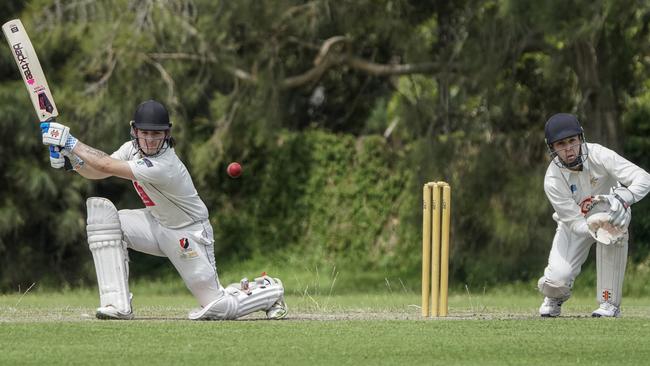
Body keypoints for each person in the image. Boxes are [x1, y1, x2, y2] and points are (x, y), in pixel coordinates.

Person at [41, 100, 287, 321]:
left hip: (188, 234)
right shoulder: (131, 149)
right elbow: (99, 171)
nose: (149, 140)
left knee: (217, 307)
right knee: (104, 219)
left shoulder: (164, 165)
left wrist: (71, 142)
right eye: (144, 133)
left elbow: (105, 163)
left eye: (156, 134)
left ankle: (270, 291)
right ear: (134, 131)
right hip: (156, 224)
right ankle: (116, 305)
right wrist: (71, 162)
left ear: (167, 134)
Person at [537, 113, 650, 318]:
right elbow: (573, 222)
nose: (569, 148)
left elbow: (643, 178)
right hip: (575, 225)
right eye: (561, 144)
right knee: (555, 282)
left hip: (610, 215)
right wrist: (592, 224)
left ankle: (609, 303)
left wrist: (624, 198)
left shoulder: (599, 154)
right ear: (552, 148)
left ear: (580, 138)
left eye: (572, 140)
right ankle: (555, 297)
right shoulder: (552, 179)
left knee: (615, 222)